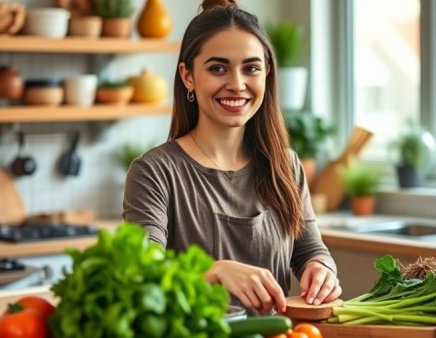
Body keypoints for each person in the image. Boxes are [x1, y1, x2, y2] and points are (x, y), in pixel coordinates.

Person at [122, 0, 342, 315]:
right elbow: (140, 271)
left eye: (250, 68)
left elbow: (309, 249)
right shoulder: (154, 172)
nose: (236, 84)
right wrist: (212, 271)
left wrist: (321, 270)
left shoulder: (286, 165)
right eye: (217, 68)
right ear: (188, 76)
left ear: (266, 73)